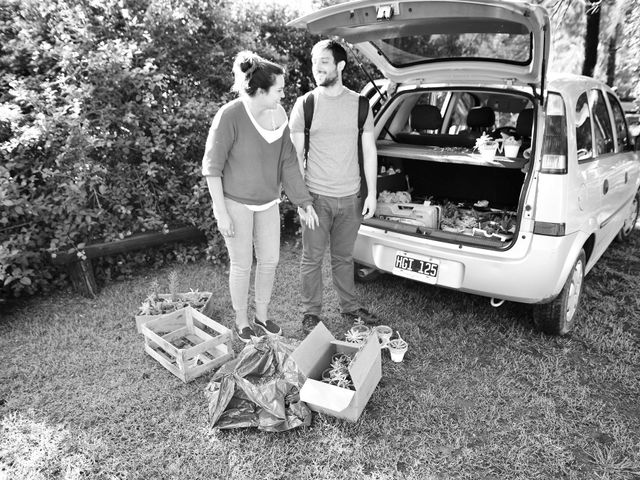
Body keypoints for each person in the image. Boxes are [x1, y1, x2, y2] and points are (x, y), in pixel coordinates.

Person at [202, 51, 319, 342]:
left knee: (270, 260)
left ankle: (262, 317)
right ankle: (242, 321)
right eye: (278, 89)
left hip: (268, 201)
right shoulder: (230, 115)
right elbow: (212, 167)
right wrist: (221, 212)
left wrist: (303, 201)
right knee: (242, 264)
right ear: (262, 90)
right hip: (235, 201)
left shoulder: (279, 114)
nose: (283, 94)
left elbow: (288, 161)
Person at [289, 39, 379, 333]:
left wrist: (372, 194)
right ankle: (311, 313)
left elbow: (369, 151)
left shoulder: (361, 104)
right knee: (311, 258)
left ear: (340, 65)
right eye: (315, 62)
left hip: (351, 198)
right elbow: (295, 157)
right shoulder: (306, 104)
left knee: (343, 258)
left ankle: (350, 309)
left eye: (324, 61)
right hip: (316, 198)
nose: (317, 67)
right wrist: (302, 201)